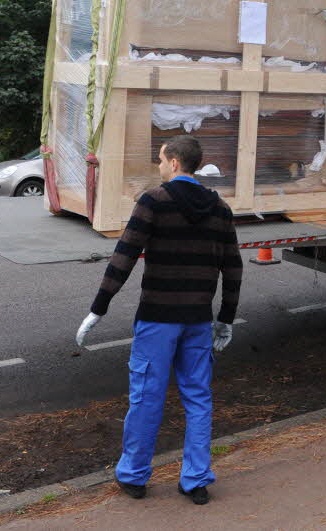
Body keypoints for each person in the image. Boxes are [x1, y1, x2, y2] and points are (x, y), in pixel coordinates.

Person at [75, 136, 242, 505]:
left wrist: (99, 307)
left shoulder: (153, 201)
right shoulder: (220, 209)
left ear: (175, 163)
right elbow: (233, 267)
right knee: (198, 397)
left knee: (147, 396)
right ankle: (196, 479)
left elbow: (124, 256)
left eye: (162, 160)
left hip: (157, 319)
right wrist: (225, 318)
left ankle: (134, 475)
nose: (160, 166)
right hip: (198, 320)